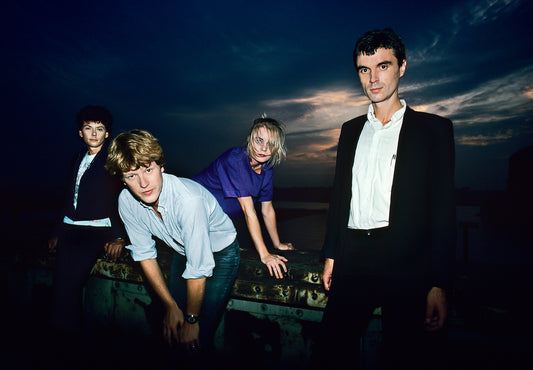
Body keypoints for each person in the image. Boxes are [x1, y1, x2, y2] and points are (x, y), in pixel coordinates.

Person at [316, 28, 456, 369]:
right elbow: (340, 198)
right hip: (353, 256)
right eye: (365, 69)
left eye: (383, 66)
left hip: (405, 260)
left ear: (402, 66)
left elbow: (442, 210)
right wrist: (332, 254)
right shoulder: (350, 130)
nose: (373, 78)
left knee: (402, 356)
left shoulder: (433, 130)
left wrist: (439, 283)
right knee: (330, 352)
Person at [105, 129, 240, 360]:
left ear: (161, 166)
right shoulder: (126, 201)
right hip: (183, 250)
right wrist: (170, 306)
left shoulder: (188, 201)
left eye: (148, 169)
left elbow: (198, 269)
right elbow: (145, 254)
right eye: (131, 175)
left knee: (198, 332)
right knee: (172, 325)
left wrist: (191, 319)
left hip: (221, 252)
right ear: (122, 180)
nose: (143, 183)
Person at [48, 105, 125, 336]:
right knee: (59, 287)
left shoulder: (113, 159)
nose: (94, 133)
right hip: (69, 229)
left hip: (96, 231)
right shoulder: (77, 157)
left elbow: (121, 198)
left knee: (70, 287)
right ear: (80, 132)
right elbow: (67, 195)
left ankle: (70, 345)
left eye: (99, 129)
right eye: (88, 128)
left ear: (107, 133)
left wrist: (119, 236)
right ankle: (59, 340)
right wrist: (57, 232)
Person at [193, 116, 294, 279]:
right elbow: (249, 212)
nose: (264, 148)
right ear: (249, 139)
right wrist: (265, 255)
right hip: (190, 211)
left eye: (271, 144)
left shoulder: (267, 169)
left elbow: (267, 209)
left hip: (212, 224)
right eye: (259, 140)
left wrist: (278, 244)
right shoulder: (235, 160)